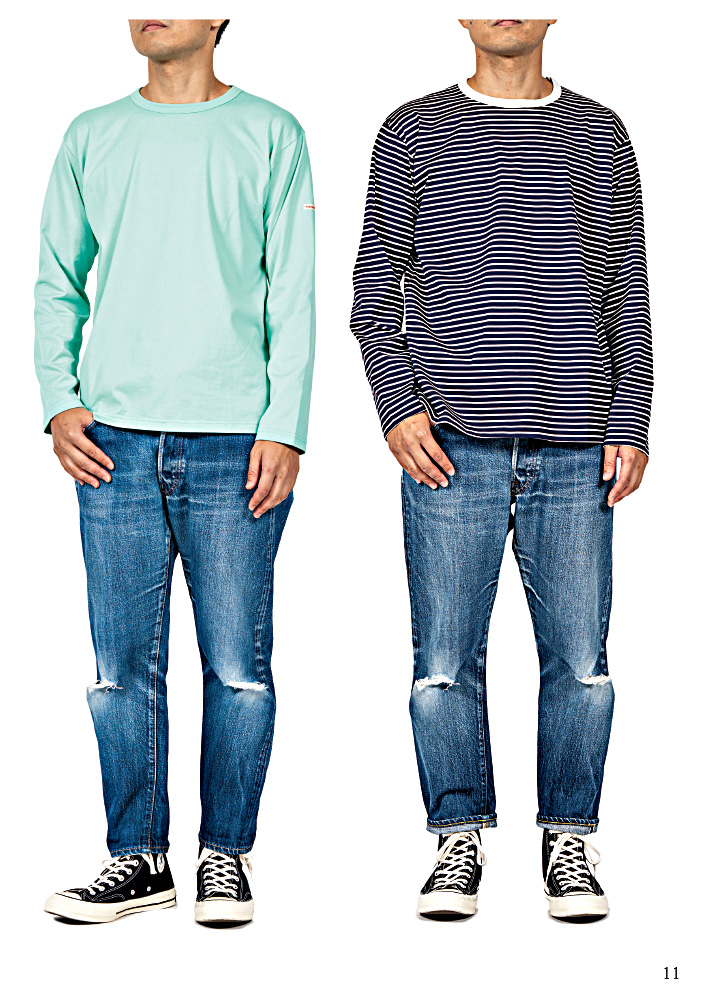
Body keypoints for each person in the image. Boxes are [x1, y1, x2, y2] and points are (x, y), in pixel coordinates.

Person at [351, 17, 651, 922]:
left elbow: (627, 288)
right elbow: (374, 291)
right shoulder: (412, 129)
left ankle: (569, 838)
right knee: (443, 662)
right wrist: (399, 407)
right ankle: (457, 838)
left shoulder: (600, 131)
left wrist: (632, 417)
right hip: (451, 447)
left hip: (575, 444)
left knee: (583, 662)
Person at [36, 18, 315, 925]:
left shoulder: (270, 133)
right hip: (112, 440)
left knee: (237, 666)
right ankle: (138, 858)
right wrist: (59, 398)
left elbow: (293, 289)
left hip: (237, 441)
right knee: (119, 666)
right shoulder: (92, 135)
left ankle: (224, 855)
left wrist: (285, 425)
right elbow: (57, 279)